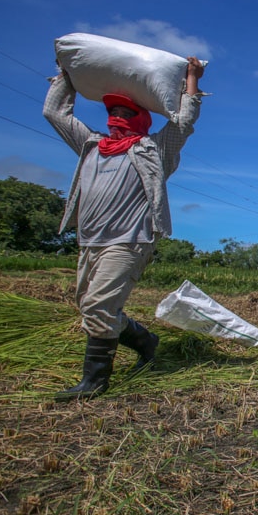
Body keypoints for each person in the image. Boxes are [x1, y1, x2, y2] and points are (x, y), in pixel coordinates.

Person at [43, 56, 206, 401]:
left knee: (99, 307)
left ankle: (96, 381)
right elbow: (55, 115)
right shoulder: (91, 146)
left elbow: (183, 124)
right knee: (89, 304)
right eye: (113, 112)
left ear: (143, 118)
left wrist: (192, 78)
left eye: (127, 112)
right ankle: (146, 341)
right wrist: (65, 77)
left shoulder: (154, 151)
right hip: (89, 241)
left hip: (130, 240)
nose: (117, 118)